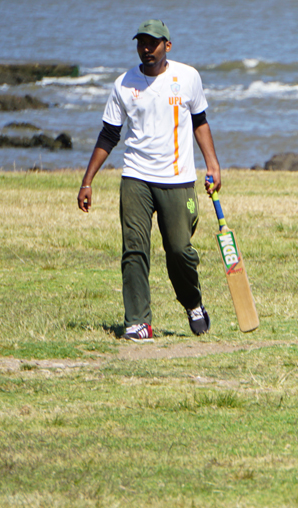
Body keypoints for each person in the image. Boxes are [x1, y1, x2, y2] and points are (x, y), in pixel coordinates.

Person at [77, 19, 222, 342]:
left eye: (153, 43)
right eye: (141, 42)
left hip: (178, 179)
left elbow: (200, 122)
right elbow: (109, 134)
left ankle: (192, 302)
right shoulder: (123, 84)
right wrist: (87, 181)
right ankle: (138, 321)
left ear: (167, 46)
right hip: (136, 177)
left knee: (180, 250)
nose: (146, 48)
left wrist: (213, 164)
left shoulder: (187, 77)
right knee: (134, 250)